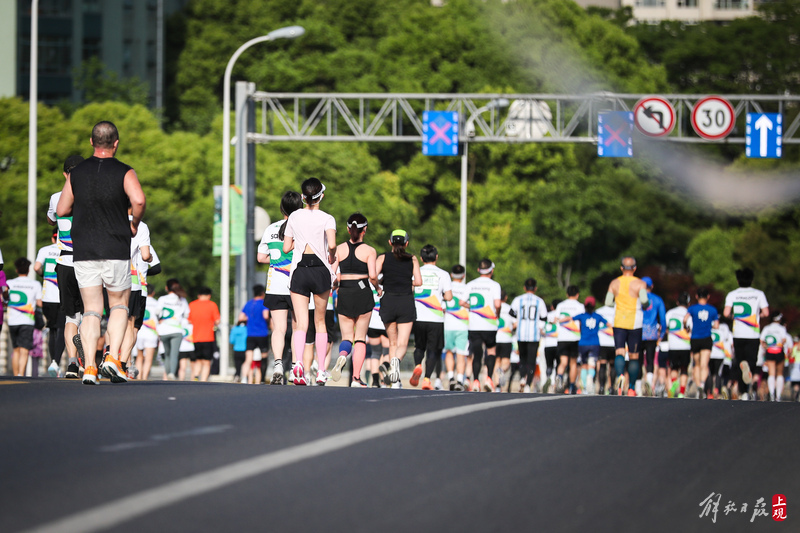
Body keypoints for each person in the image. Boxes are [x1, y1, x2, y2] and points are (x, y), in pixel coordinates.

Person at [56, 121, 146, 385]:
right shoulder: (124, 172)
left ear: (91, 142)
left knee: (91, 310)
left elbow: (61, 210)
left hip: (84, 250)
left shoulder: (77, 173)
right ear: (116, 143)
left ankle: (90, 368)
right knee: (118, 305)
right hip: (115, 247)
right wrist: (134, 223)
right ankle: (113, 359)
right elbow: (138, 200)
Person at [283, 178, 337, 386]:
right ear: (321, 196)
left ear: (303, 196)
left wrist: (300, 238)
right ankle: (321, 370)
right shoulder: (328, 218)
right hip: (321, 269)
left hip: (299, 269)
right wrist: (330, 255)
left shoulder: (294, 216)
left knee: (301, 323)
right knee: (320, 322)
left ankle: (298, 364)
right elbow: (331, 244)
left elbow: (287, 247)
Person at [257, 191, 303, 385]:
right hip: (297, 284)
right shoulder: (302, 230)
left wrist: (275, 261)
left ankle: (277, 364)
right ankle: (294, 367)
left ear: (281, 208)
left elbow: (261, 257)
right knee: (298, 326)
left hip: (275, 284)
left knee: (279, 328)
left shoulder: (270, 229)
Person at [330, 213, 380, 387]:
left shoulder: (339, 249)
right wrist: (378, 287)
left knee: (346, 336)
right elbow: (373, 275)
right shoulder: (369, 251)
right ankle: (356, 378)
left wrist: (335, 287)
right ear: (364, 229)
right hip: (363, 292)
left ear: (347, 228)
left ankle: (343, 355)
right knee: (360, 338)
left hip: (344, 292)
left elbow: (332, 273)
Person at [47, 154, 85, 379]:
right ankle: (88, 363)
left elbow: (51, 220)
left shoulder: (55, 198)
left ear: (64, 174)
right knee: (90, 313)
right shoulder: (92, 198)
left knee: (71, 316)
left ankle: (71, 363)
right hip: (87, 263)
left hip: (63, 262)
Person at [376, 230, 422, 385]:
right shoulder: (412, 259)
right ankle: (395, 362)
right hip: (405, 302)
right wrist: (405, 281)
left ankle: (393, 377)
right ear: (406, 243)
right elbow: (419, 281)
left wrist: (379, 285)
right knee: (402, 343)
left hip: (388, 301)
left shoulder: (383, 257)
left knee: (392, 342)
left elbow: (373, 275)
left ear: (390, 242)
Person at [410, 244, 452, 390]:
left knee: (419, 346)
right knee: (433, 350)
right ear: (436, 257)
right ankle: (427, 379)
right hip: (436, 318)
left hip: (418, 315)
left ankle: (417, 365)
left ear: (421, 258)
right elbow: (449, 296)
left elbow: (410, 289)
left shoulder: (416, 271)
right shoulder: (444, 274)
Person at [605, 256, 649, 397]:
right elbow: (644, 300)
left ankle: (620, 375)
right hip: (635, 321)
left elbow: (607, 302)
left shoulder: (614, 283)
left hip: (619, 320)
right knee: (634, 356)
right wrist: (646, 305)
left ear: (621, 268)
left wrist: (618, 305)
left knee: (619, 352)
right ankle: (631, 388)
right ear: (635, 268)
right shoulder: (640, 283)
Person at [724, 267, 769, 400]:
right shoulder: (759, 294)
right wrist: (757, 315)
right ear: (752, 280)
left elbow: (726, 313)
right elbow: (766, 312)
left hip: (738, 333)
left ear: (738, 281)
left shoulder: (732, 294)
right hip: (753, 333)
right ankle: (746, 388)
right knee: (752, 362)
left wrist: (735, 317)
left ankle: (743, 392)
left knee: (739, 361)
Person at [466, 259, 502, 392]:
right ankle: (489, 379)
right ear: (491, 271)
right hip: (489, 323)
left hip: (474, 324)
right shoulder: (495, 285)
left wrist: (474, 308)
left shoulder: (470, 284)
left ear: (478, 270)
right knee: (491, 351)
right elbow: (497, 304)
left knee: (477, 353)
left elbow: (462, 302)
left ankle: (475, 381)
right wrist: (496, 313)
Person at [34, 229, 64, 377]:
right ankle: (56, 362)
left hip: (47, 296)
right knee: (62, 329)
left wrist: (44, 276)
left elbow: (36, 267)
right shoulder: (69, 250)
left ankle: (53, 361)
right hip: (63, 295)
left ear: (53, 238)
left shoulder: (44, 250)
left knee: (52, 329)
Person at [509, 278, 548, 393]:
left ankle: (522, 378)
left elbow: (511, 313)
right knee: (531, 361)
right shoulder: (539, 301)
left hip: (521, 334)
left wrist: (516, 322)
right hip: (534, 335)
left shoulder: (518, 299)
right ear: (535, 288)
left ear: (524, 288)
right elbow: (544, 317)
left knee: (522, 359)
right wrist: (540, 326)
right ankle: (527, 384)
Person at [7, 258, 43, 376]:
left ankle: (15, 375)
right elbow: (39, 303)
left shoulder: (10, 283)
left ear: (16, 270)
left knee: (16, 349)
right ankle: (21, 374)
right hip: (27, 320)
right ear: (28, 270)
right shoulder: (35, 284)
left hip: (12, 320)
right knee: (25, 350)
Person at [684, 287, 719, 399]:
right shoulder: (712, 310)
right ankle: (702, 385)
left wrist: (686, 327)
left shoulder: (692, 308)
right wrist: (709, 325)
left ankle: (698, 384)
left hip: (695, 338)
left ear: (696, 296)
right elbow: (717, 325)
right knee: (704, 364)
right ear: (708, 296)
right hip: (706, 338)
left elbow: (685, 319)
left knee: (697, 364)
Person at [569, 296, 608, 395]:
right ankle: (590, 378)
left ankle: (585, 386)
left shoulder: (582, 316)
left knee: (584, 365)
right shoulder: (598, 316)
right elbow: (608, 324)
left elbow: (570, 318)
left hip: (583, 343)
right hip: (595, 343)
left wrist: (558, 320)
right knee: (592, 363)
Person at [444, 265, 470, 391]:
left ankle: (450, 378)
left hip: (448, 324)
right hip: (463, 325)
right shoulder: (466, 288)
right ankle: (460, 380)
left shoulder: (447, 288)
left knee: (449, 352)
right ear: (463, 276)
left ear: (451, 274)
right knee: (461, 355)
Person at [554, 286, 585, 394]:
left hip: (562, 337)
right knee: (573, 363)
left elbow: (555, 320)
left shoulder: (561, 305)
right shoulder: (580, 306)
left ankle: (559, 376)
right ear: (577, 294)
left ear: (567, 294)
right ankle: (571, 386)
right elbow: (581, 322)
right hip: (574, 337)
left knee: (563, 362)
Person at [157, 279, 190, 380]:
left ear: (167, 288)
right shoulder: (182, 300)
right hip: (177, 330)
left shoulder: (162, 299)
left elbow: (157, 312)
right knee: (174, 354)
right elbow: (187, 314)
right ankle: (172, 373)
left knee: (167, 354)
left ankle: (168, 374)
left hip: (164, 330)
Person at [237, 285, 270, 384]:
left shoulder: (248, 303)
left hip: (250, 334)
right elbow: (265, 315)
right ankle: (262, 379)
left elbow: (240, 318)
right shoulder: (264, 303)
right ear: (262, 293)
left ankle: (244, 378)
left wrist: (250, 319)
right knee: (263, 357)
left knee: (248, 359)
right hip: (262, 334)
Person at [640, 276, 666, 397]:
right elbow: (663, 319)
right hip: (651, 333)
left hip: (638, 332)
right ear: (652, 286)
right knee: (650, 360)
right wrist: (662, 334)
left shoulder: (636, 298)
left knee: (637, 359)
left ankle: (637, 385)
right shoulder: (657, 299)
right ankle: (649, 382)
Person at [189, 286, 220, 382]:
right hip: (208, 337)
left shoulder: (192, 305)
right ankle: (203, 380)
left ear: (199, 295)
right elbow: (217, 320)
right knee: (206, 362)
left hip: (195, 337)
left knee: (198, 360)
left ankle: (196, 375)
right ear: (209, 296)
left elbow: (189, 320)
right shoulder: (212, 305)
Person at [760, 312, 792, 402]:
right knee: (779, 374)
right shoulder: (781, 328)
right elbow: (784, 340)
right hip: (779, 351)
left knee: (771, 373)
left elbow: (762, 341)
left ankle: (772, 394)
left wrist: (767, 346)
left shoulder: (767, 328)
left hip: (769, 351)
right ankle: (778, 396)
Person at [666, 292, 691, 398]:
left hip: (672, 345)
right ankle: (681, 392)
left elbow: (666, 327)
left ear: (677, 302)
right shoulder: (689, 314)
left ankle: (674, 382)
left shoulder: (670, 313)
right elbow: (690, 329)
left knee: (674, 368)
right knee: (684, 369)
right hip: (685, 345)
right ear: (688, 303)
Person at [134, 284, 161, 380]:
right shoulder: (157, 303)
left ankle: (138, 377)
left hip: (139, 332)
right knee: (148, 358)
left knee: (139, 357)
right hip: (151, 333)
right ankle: (144, 378)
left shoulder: (139, 300)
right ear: (153, 293)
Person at [541, 299, 561, 393]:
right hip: (559, 344)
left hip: (548, 344)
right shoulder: (561, 316)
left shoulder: (548, 315)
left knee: (549, 365)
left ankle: (548, 379)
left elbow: (542, 330)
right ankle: (556, 383)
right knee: (559, 365)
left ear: (552, 306)